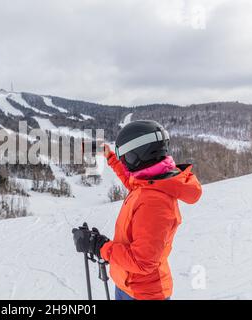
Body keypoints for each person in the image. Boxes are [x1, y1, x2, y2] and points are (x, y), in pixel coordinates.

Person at [73, 120, 202, 300]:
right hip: (128, 285)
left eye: (125, 156)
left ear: (138, 155)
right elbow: (131, 180)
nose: (123, 161)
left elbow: (142, 262)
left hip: (143, 294)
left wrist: (100, 247)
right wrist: (109, 155)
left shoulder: (154, 203)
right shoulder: (153, 183)